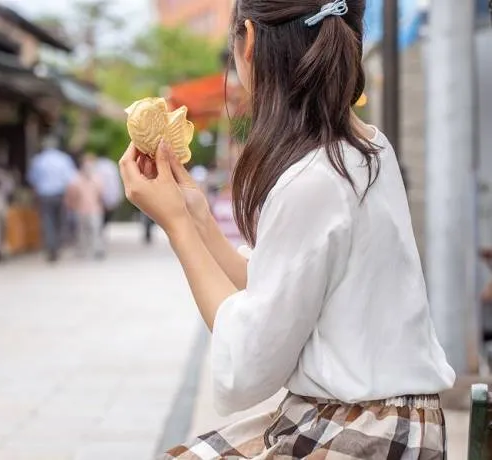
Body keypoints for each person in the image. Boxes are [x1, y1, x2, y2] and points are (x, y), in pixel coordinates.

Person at [119, 1, 455, 458]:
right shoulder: (368, 148)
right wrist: (196, 213)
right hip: (388, 422)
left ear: (250, 40)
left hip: (363, 431)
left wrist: (176, 226)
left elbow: (249, 364)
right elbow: (277, 291)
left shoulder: (313, 179)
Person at [27, 136, 76, 262]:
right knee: (60, 221)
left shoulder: (38, 160)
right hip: (60, 194)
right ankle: (57, 246)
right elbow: (71, 179)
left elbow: (32, 179)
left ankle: (50, 247)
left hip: (44, 195)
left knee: (47, 221)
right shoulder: (63, 159)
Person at [65, 155, 105, 260]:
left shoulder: (96, 179)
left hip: (94, 210)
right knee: (82, 231)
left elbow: (101, 194)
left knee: (95, 230)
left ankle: (97, 249)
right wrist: (72, 205)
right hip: (81, 210)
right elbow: (72, 195)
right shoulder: (77, 180)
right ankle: (83, 249)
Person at [94, 155, 123, 231]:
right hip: (108, 196)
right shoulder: (111, 166)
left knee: (101, 217)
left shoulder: (98, 166)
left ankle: (100, 230)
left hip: (101, 196)